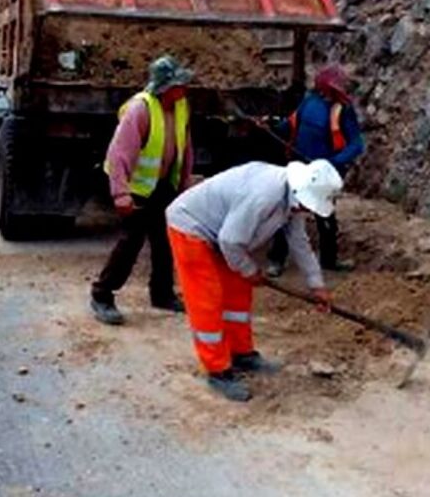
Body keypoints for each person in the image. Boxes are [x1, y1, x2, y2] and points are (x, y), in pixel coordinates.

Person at [166, 160, 342, 401]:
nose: (310, 212)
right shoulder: (264, 195)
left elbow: (299, 242)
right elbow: (230, 240)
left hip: (224, 235)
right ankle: (217, 369)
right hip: (192, 227)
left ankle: (241, 353)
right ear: (302, 194)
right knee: (207, 299)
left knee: (238, 291)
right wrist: (249, 269)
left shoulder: (294, 199)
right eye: (310, 207)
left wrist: (317, 285)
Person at [90, 55, 194, 325]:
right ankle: (102, 294)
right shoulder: (141, 109)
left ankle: (161, 293)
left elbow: (185, 147)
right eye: (179, 84)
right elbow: (118, 155)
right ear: (165, 87)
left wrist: (183, 183)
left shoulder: (180, 106)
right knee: (131, 241)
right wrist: (120, 194)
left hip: (162, 185)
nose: (184, 89)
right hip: (136, 188)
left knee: (166, 240)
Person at [266, 64, 365, 277]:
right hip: (299, 166)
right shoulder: (309, 102)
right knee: (286, 212)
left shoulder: (343, 110)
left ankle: (329, 260)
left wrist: (333, 162)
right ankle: (276, 259)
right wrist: (271, 126)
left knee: (325, 215)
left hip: (323, 172)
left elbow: (356, 144)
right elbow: (290, 125)